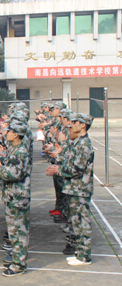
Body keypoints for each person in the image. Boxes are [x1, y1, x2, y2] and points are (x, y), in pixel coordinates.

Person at [46, 113, 95, 266]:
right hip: (74, 188)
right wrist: (60, 159)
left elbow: (77, 169)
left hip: (80, 188)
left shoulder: (84, 144)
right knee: (76, 222)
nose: (72, 124)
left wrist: (58, 170)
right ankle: (80, 252)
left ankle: (84, 255)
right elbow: (70, 161)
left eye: (75, 122)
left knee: (82, 222)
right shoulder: (78, 142)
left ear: (83, 125)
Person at [0, 120, 31, 277]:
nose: (6, 133)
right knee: (14, 231)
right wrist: (2, 162)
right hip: (13, 196)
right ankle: (17, 259)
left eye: (9, 131)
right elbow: (12, 167)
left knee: (18, 231)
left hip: (17, 197)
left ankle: (19, 264)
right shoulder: (15, 149)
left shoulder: (21, 152)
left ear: (16, 134)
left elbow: (13, 174)